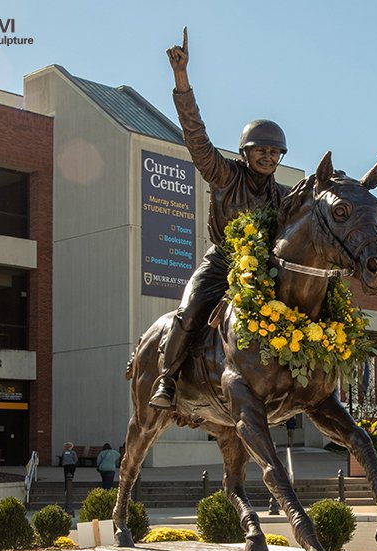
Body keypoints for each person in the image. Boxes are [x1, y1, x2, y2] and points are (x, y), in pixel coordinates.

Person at [150, 27, 290, 409]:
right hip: (221, 263)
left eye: (275, 152)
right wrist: (182, 79)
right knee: (187, 313)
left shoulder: (283, 197)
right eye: (260, 149)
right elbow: (196, 135)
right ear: (245, 153)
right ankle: (167, 380)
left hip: (263, 272)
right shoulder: (224, 174)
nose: (268, 156)